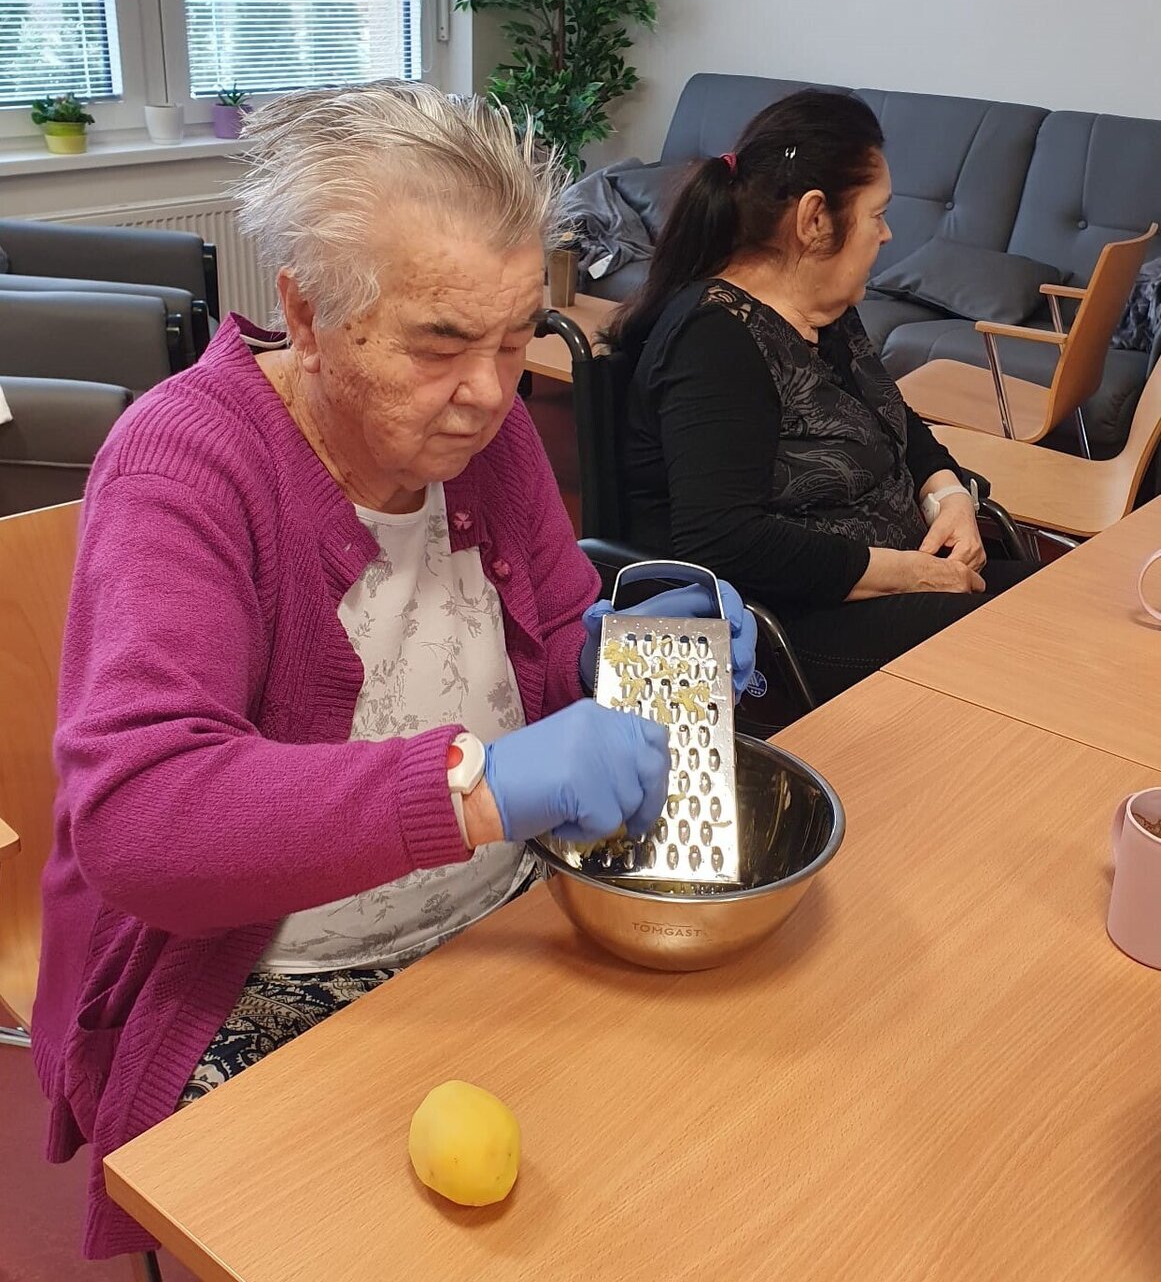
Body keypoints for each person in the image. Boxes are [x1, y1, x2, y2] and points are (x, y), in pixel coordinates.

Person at [32, 82, 756, 1262]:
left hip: (500, 927)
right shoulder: (185, 468)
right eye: (441, 343)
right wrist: (479, 788)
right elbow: (140, 818)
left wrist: (620, 651)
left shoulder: (484, 436)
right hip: (263, 978)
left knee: (687, 1178)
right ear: (308, 314)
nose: (492, 393)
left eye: (517, 338)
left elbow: (553, 629)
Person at [610, 89, 1034, 706]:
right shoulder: (716, 341)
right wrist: (908, 573)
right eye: (877, 214)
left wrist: (948, 496)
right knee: (1028, 647)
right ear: (815, 220)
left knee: (1061, 599)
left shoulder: (824, 310)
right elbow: (722, 541)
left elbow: (892, 420)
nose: (886, 234)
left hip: (885, 586)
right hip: (786, 630)